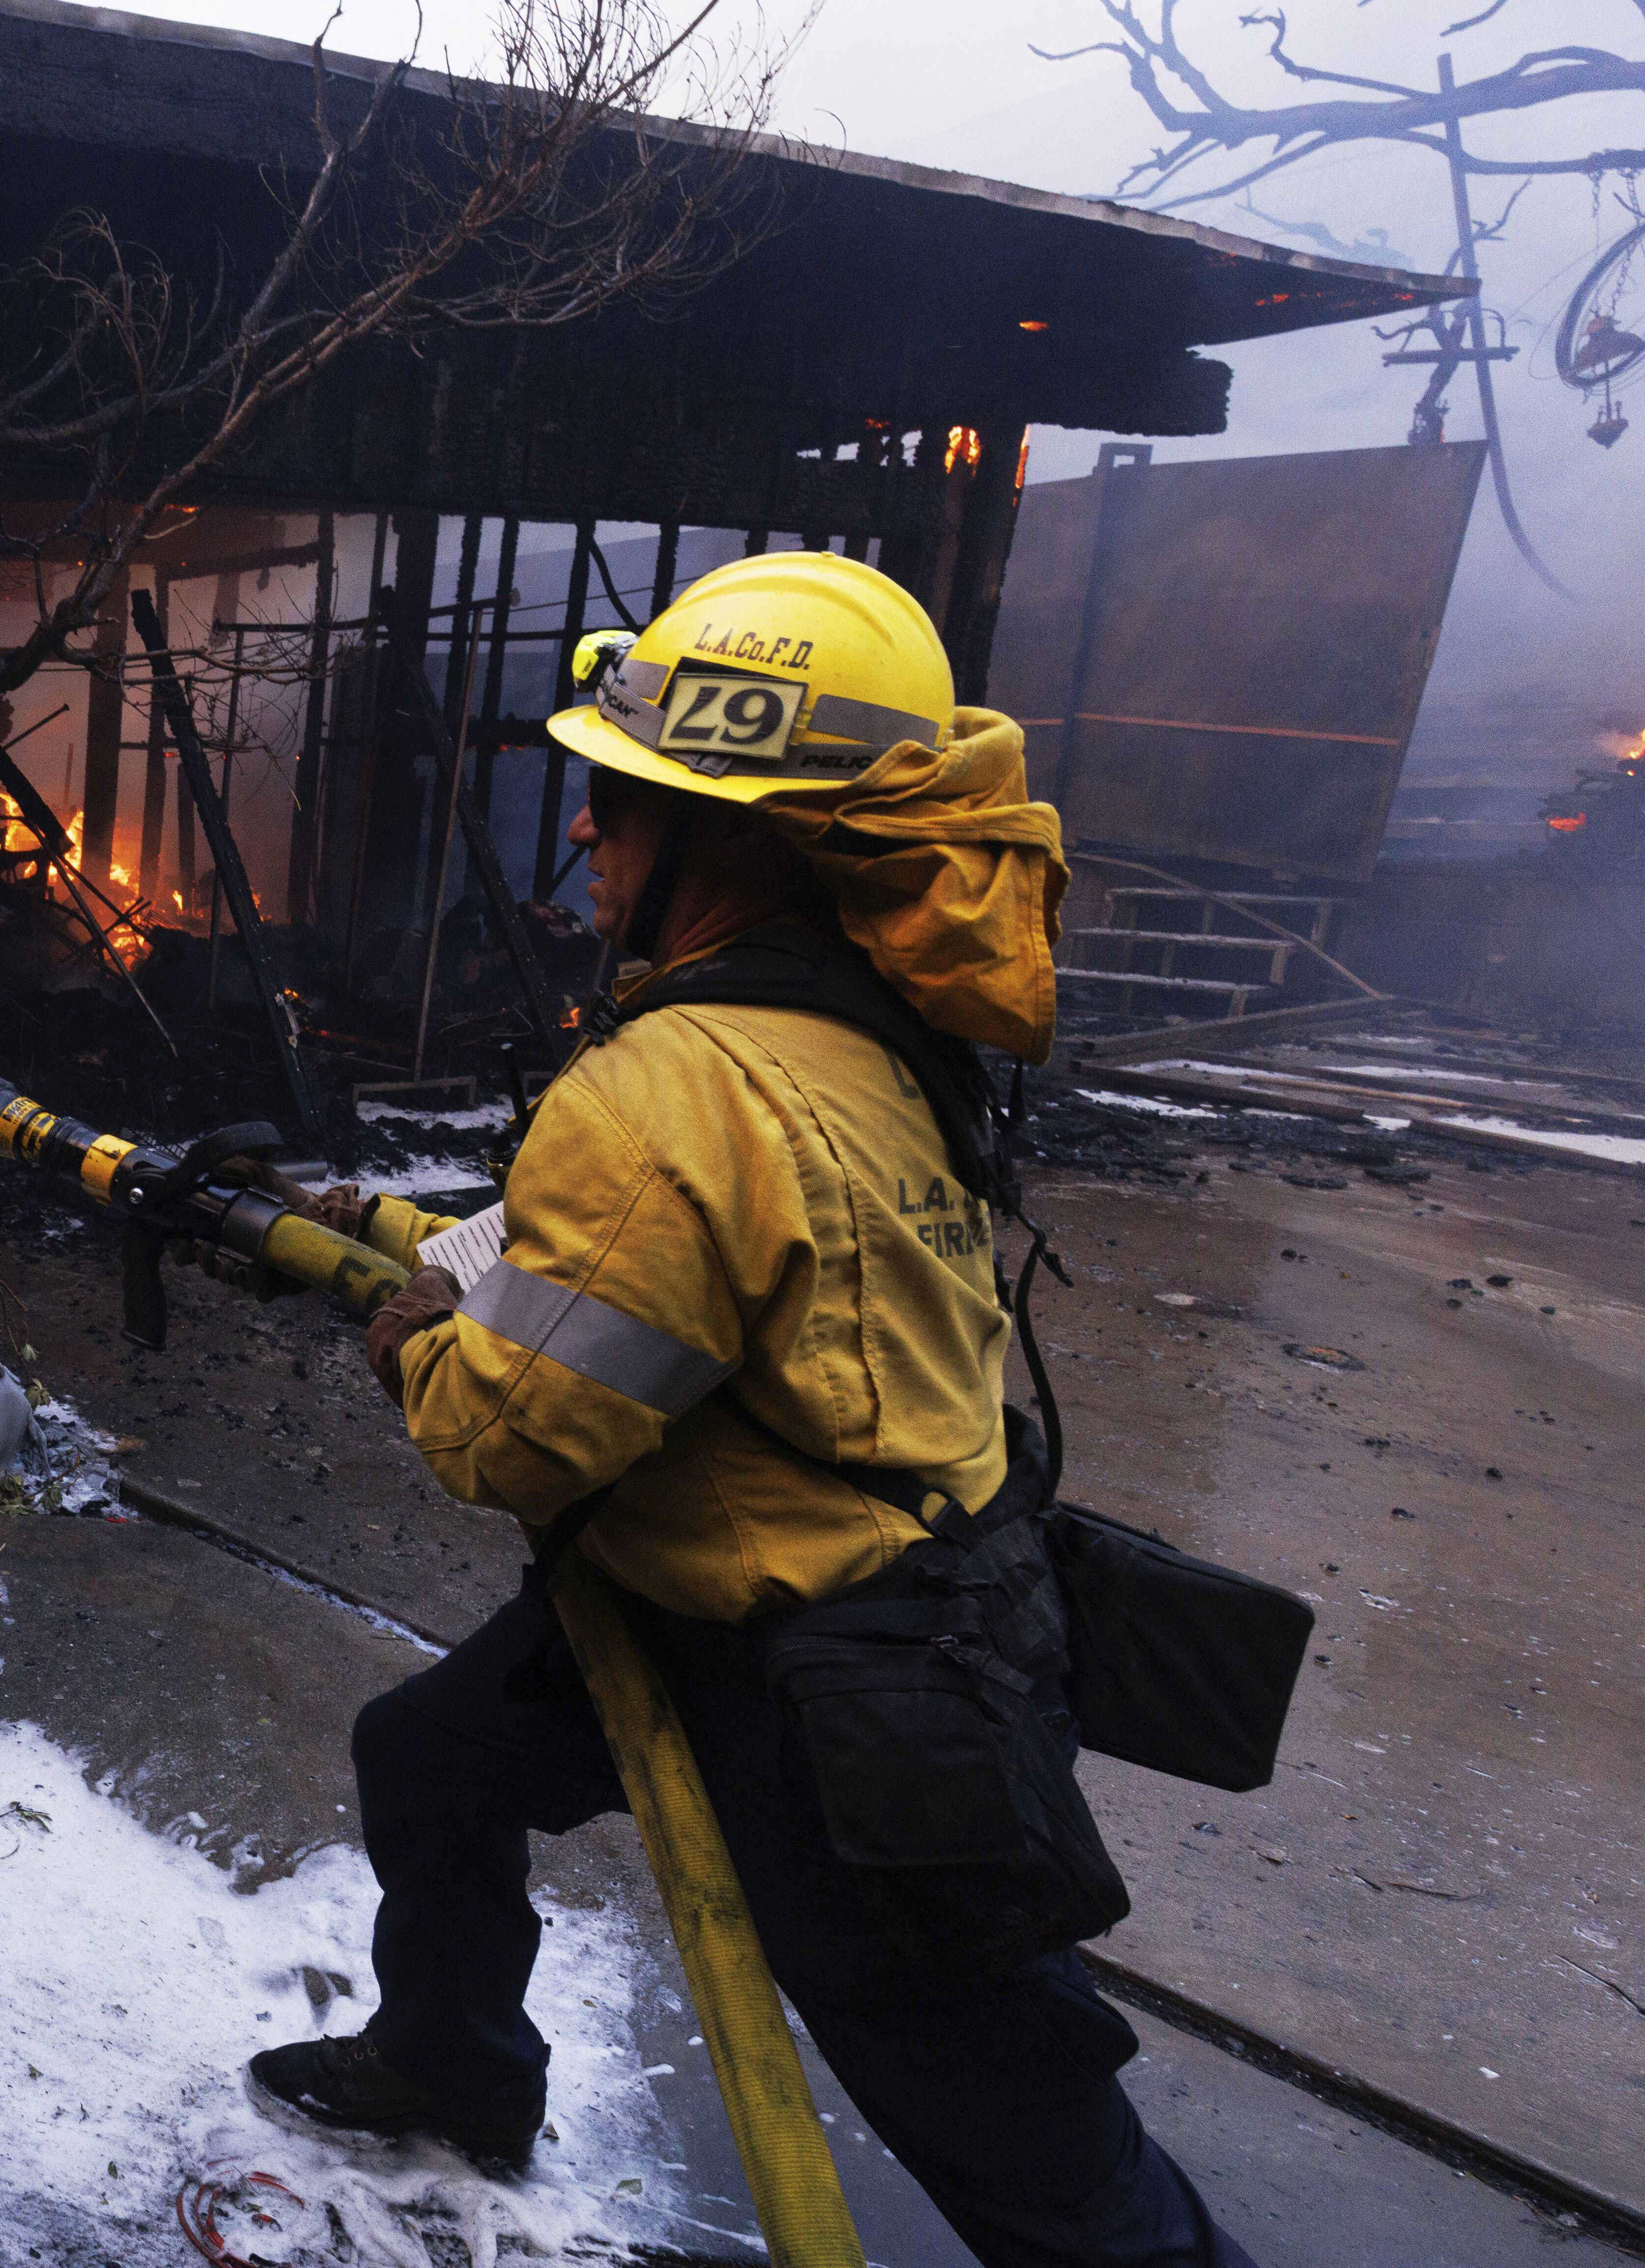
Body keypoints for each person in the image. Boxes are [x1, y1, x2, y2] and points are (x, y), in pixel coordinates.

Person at [246, 553, 1255, 2267]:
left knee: (1037, 2155)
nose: (589, 841)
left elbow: (513, 1434)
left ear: (731, 840)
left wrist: (419, 1333)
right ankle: (451, 2067)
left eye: (624, 810)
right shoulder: (854, 1037)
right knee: (429, 1756)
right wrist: (411, 1236)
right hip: (763, 1595)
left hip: (849, 1701)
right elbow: (651, 1271)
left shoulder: (670, 1089)